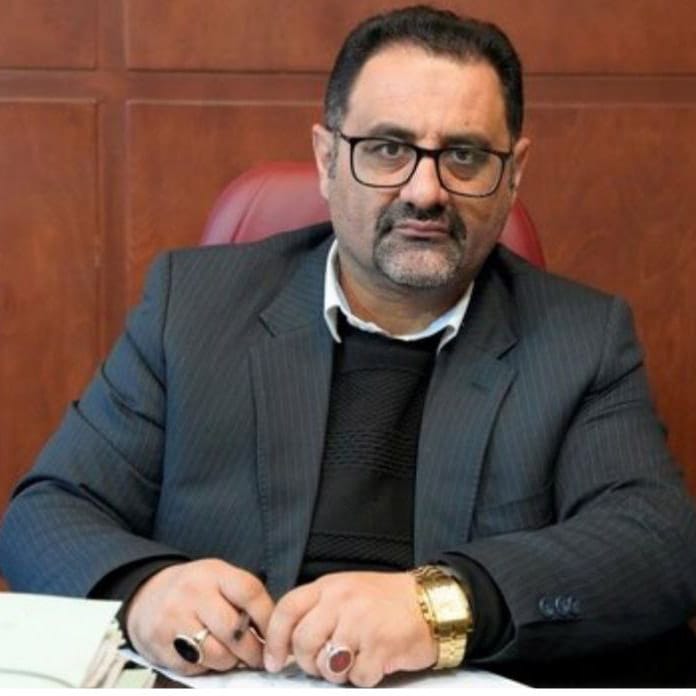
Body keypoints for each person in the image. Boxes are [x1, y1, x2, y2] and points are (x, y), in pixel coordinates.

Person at [1, 5, 695, 688]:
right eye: (388, 148)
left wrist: (441, 606)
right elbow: (46, 511)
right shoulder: (194, 307)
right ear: (328, 159)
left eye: (464, 155)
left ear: (513, 174)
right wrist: (144, 589)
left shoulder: (580, 338)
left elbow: (659, 544)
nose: (426, 191)